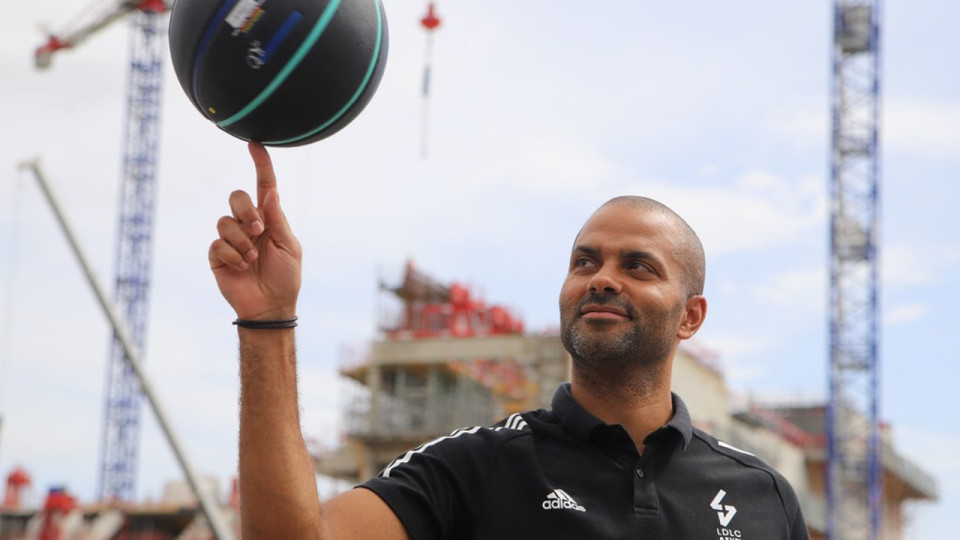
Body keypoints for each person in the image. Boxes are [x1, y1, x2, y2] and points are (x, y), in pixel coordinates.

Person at [209, 142, 810, 539]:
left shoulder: (764, 498)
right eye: (585, 262)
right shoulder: (478, 466)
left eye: (638, 266)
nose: (601, 278)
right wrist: (268, 322)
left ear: (691, 316)